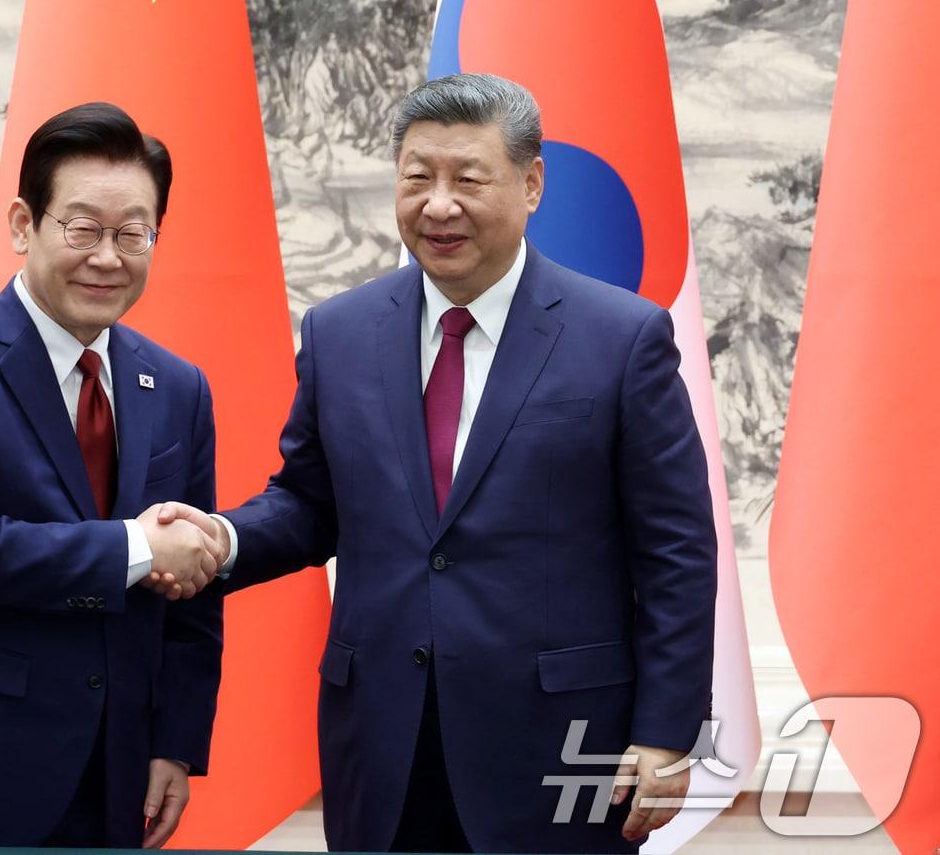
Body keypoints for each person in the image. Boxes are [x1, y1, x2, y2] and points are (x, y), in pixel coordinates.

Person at [155, 73, 716, 853]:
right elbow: (310, 503)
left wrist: (666, 732)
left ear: (531, 183)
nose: (439, 205)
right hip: (383, 740)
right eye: (418, 177)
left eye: (468, 180)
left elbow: (677, 550)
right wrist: (222, 538)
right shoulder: (339, 333)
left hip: (559, 742)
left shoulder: (622, 339)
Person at [0, 102, 226, 848]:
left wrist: (175, 742)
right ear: (24, 224)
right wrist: (137, 547)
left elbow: (192, 589)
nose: (108, 256)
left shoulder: (179, 387)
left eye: (133, 233)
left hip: (116, 780)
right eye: (82, 228)